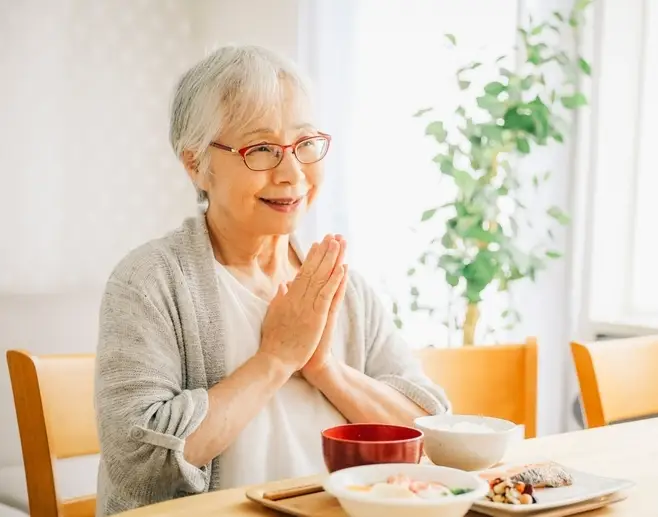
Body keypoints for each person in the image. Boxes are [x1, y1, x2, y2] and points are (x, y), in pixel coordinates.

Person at [93, 45, 450, 516]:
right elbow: (141, 460)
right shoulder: (150, 280)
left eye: (305, 144)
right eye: (261, 148)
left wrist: (326, 370)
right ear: (196, 163)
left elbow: (432, 432)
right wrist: (276, 358)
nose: (291, 172)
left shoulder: (344, 288)